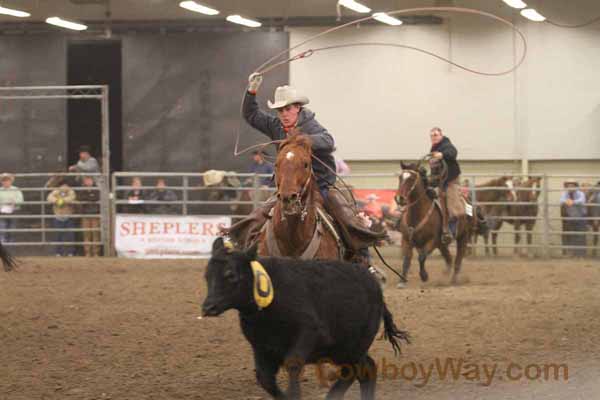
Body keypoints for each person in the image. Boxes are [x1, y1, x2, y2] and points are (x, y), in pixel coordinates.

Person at [224, 72, 386, 267]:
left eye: (288, 108)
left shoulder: (310, 124)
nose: (283, 113)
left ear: (298, 108)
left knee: (344, 215)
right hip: (289, 184)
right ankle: (239, 244)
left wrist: (306, 140)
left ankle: (363, 260)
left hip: (320, 184)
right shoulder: (275, 126)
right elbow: (250, 114)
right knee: (260, 213)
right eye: (280, 109)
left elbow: (328, 140)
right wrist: (251, 91)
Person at [428, 126, 467, 244]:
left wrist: (442, 155)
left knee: (452, 206)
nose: (434, 137)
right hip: (441, 182)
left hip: (451, 181)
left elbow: (452, 153)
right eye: (432, 135)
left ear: (441, 136)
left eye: (436, 135)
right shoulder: (433, 149)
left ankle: (451, 229)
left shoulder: (446, 145)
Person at [47, 180, 77, 256]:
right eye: (62, 185)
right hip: (58, 216)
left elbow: (72, 197)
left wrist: (63, 201)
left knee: (70, 235)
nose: (64, 187)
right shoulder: (55, 191)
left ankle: (70, 252)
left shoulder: (71, 191)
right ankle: (58, 252)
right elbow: (49, 198)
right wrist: (57, 200)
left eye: (66, 185)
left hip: (68, 216)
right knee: (58, 235)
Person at [560, 180, 587, 257]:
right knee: (572, 235)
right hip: (571, 217)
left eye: (572, 185)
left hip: (581, 217)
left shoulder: (580, 193)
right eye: (568, 185)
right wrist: (567, 201)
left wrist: (572, 202)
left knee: (581, 235)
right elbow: (561, 201)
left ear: (575, 186)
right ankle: (574, 253)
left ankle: (581, 254)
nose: (570, 187)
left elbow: (581, 201)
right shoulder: (565, 194)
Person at [78, 176, 101, 257]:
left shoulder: (97, 189)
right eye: (86, 180)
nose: (88, 182)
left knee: (95, 234)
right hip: (85, 214)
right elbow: (81, 199)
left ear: (92, 181)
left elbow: (97, 198)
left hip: (95, 214)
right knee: (86, 234)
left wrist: (88, 199)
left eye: (89, 180)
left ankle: (96, 252)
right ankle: (87, 252)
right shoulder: (82, 190)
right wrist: (90, 198)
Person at [0, 173, 24, 243]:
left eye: (8, 180)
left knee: (12, 229)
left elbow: (20, 200)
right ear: (1, 181)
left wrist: (14, 203)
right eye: (4, 180)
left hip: (14, 211)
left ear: (11, 181)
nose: (6, 182)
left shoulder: (16, 189)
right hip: (2, 212)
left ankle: (11, 244)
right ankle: (3, 243)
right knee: (2, 228)